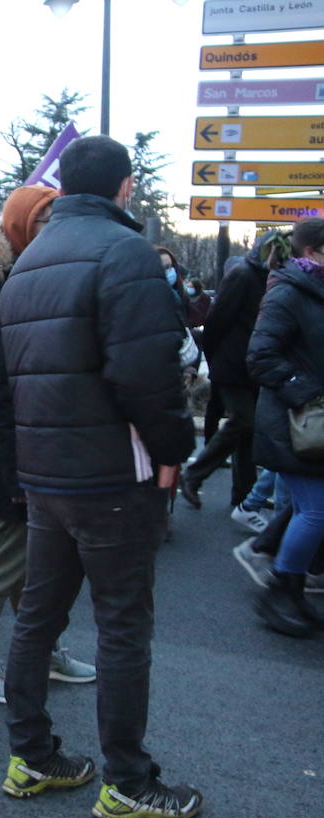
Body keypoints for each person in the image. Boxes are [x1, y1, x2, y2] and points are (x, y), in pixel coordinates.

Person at [0, 135, 201, 818]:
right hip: (113, 474)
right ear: (125, 185)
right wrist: (174, 448)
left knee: (38, 616)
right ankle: (128, 780)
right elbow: (147, 373)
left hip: (46, 471)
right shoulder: (125, 253)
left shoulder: (31, 260)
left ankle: (31, 754)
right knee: (121, 625)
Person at [0, 186, 95, 703]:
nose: (53, 230)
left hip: (39, 444)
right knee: (2, 555)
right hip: (12, 448)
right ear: (17, 229)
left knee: (31, 563)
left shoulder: (27, 285)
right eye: (43, 221)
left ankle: (42, 650)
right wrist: (11, 467)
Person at [246, 217, 324, 637]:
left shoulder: (313, 290)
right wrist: (307, 391)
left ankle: (284, 580)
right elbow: (260, 357)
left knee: (308, 508)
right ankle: (279, 588)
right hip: (298, 422)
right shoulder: (289, 292)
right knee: (316, 510)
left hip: (312, 419)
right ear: (312, 253)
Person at [181, 231, 287, 515]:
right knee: (244, 422)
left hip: (253, 365)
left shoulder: (269, 276)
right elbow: (216, 320)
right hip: (233, 363)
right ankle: (194, 474)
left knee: (249, 432)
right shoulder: (243, 275)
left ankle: (243, 495)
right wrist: (216, 360)